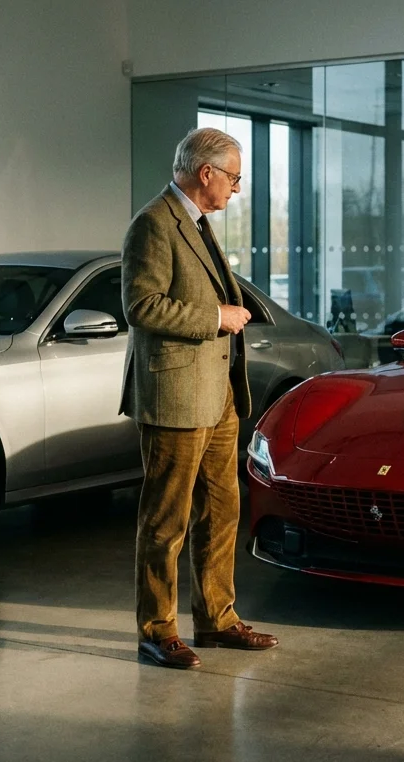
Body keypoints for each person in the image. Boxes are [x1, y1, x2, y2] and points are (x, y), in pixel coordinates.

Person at [119, 127, 280, 670]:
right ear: (205, 172)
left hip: (219, 397)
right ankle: (155, 630)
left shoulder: (198, 224)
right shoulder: (153, 224)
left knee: (221, 511)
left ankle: (217, 619)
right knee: (166, 521)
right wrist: (217, 318)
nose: (237, 187)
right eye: (233, 176)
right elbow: (142, 306)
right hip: (176, 396)